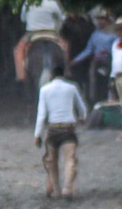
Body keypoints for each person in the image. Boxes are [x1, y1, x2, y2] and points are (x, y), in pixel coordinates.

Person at [34, 65, 88, 200]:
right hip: (68, 128)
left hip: (53, 129)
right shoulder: (72, 88)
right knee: (70, 159)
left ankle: (56, 190)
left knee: (52, 161)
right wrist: (82, 118)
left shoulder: (44, 90)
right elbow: (82, 108)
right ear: (63, 74)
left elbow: (41, 115)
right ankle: (67, 189)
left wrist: (37, 134)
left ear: (51, 75)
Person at [14, 0, 67, 82]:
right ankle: (66, 71)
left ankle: (21, 74)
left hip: (32, 33)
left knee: (18, 50)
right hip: (51, 33)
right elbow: (63, 18)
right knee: (65, 47)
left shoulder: (28, 2)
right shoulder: (53, 2)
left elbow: (23, 19)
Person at [69, 9, 116, 103]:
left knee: (110, 85)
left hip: (110, 62)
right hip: (97, 63)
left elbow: (116, 49)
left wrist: (108, 52)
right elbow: (88, 50)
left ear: (107, 21)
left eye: (103, 19)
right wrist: (75, 60)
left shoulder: (113, 35)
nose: (100, 22)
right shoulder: (95, 34)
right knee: (95, 85)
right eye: (99, 19)